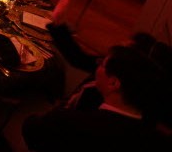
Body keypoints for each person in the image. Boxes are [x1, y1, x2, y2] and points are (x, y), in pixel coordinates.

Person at [22, 45, 168, 150]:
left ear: (113, 83)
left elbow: (30, 128)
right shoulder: (156, 139)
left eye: (102, 63)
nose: (97, 65)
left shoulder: (68, 121)